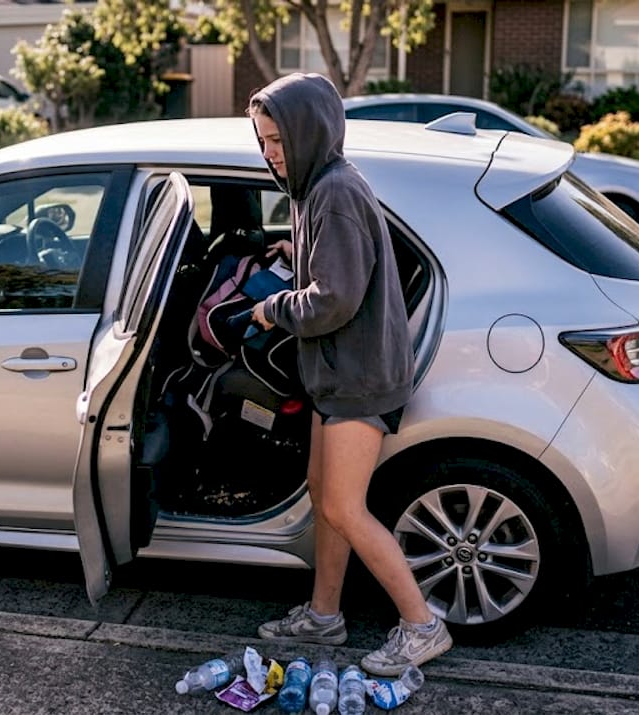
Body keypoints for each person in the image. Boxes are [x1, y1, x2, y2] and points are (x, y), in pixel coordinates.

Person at [246, 73, 453, 677]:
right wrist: (295, 251)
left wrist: (270, 308)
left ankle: (422, 625)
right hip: (339, 374)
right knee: (325, 495)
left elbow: (333, 300)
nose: (270, 153)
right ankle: (324, 615)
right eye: (261, 141)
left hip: (359, 377)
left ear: (310, 128)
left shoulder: (333, 191)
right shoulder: (319, 187)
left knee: (344, 507)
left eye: (278, 138)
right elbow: (338, 263)